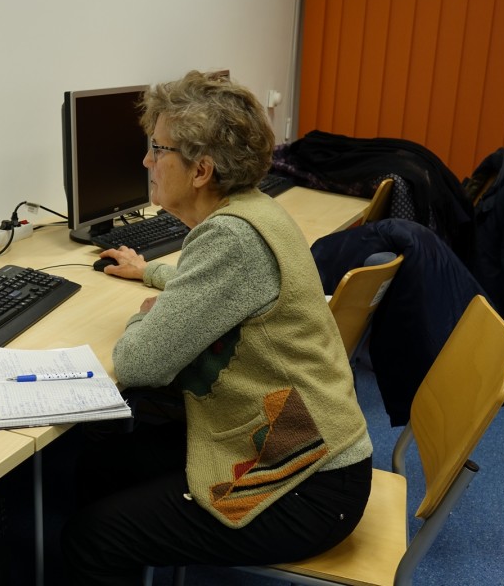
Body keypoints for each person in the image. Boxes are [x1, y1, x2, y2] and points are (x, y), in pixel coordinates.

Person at [60, 71, 373, 585]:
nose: (146, 162)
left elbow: (138, 364)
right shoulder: (252, 210)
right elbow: (221, 289)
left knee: (93, 537)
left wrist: (151, 316)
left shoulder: (231, 239)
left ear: (201, 170)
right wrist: (153, 273)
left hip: (307, 482)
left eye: (157, 149)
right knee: (103, 464)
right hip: (300, 439)